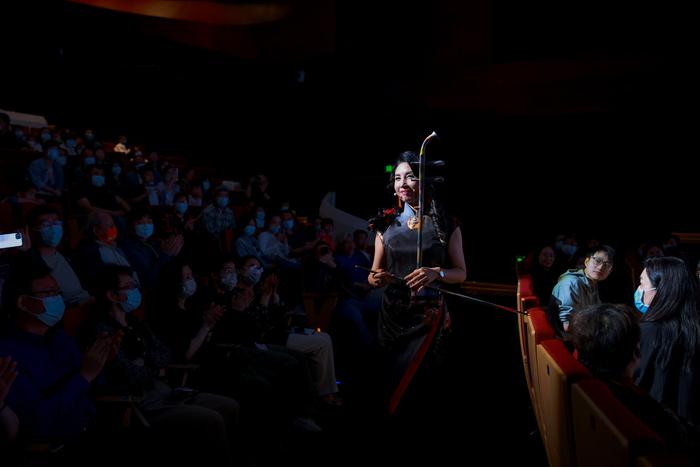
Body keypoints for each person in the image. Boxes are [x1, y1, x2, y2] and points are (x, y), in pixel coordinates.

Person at [367, 150, 466, 405]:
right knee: (390, 382)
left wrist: (437, 272)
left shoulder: (445, 223)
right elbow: (373, 274)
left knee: (425, 385)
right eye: (398, 178)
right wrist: (377, 279)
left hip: (429, 315)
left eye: (410, 177)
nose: (402, 183)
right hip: (392, 317)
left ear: (424, 181)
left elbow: (461, 273)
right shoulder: (384, 225)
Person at [634, 256, 700, 424]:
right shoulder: (694, 325)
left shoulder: (648, 332)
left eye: (642, 283)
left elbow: (637, 383)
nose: (639, 289)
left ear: (661, 290)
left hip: (658, 424)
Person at [548, 245, 615, 336]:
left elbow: (597, 312)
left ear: (610, 271)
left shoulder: (592, 283)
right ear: (587, 262)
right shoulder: (571, 282)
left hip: (582, 335)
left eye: (606, 265)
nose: (600, 267)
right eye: (597, 261)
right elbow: (567, 325)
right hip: (566, 340)